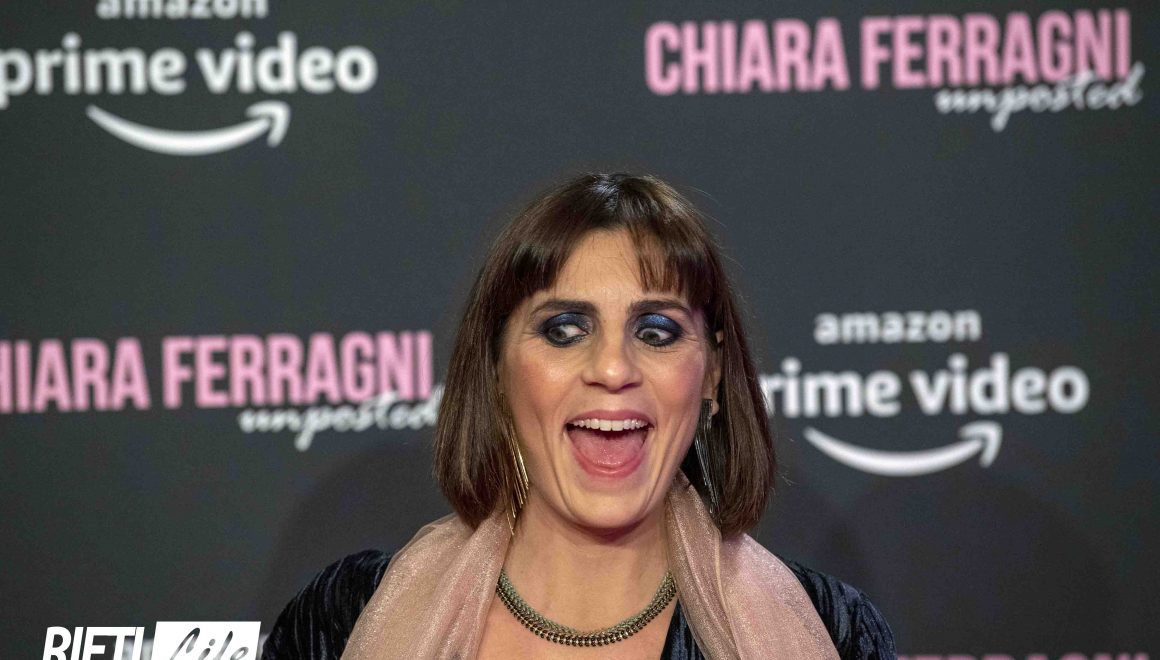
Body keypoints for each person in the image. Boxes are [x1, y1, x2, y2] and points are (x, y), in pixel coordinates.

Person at [263, 173, 895, 659]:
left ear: (712, 373)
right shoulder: (339, 621)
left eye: (656, 331)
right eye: (564, 330)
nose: (613, 369)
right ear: (497, 369)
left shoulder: (834, 632)